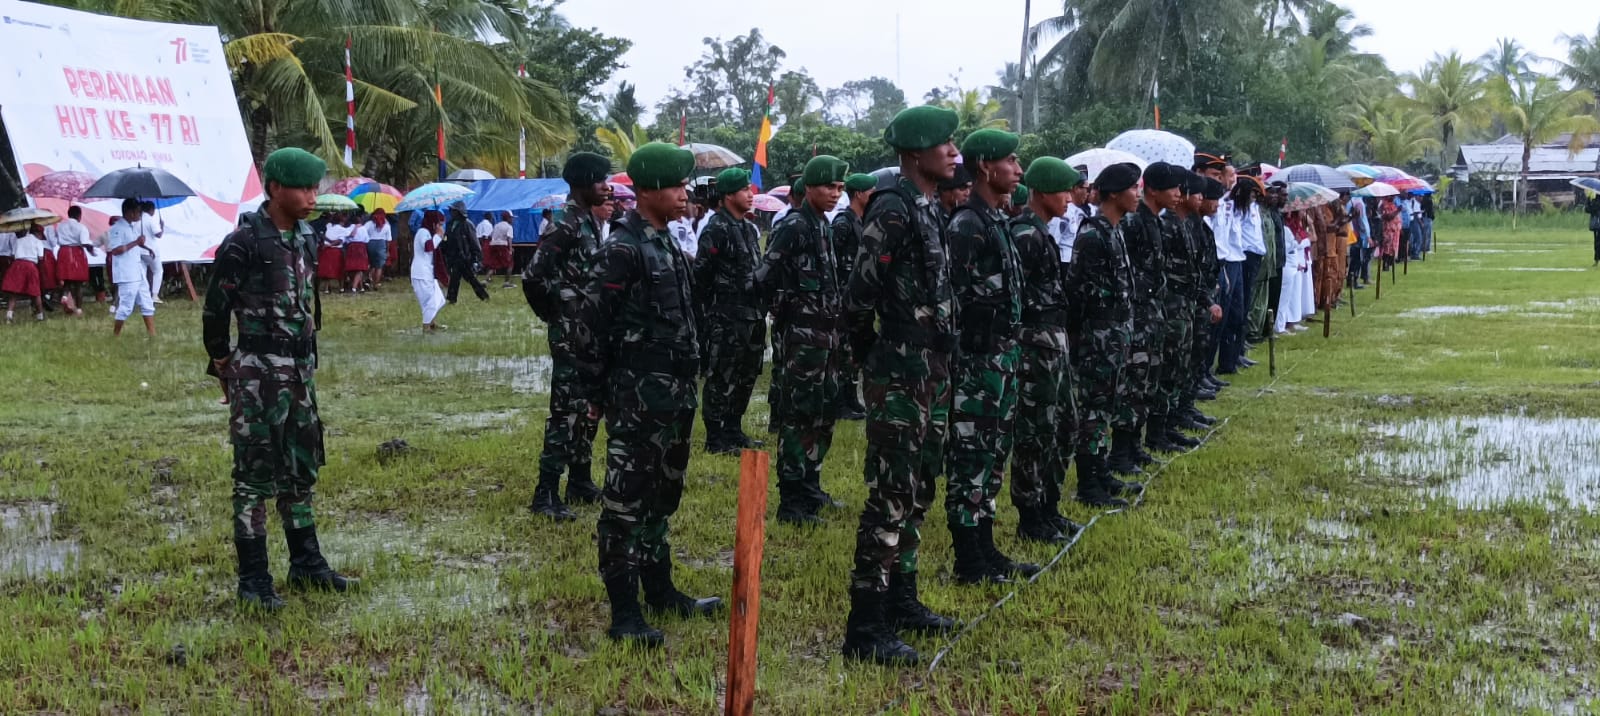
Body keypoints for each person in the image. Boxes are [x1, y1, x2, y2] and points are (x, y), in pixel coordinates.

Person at [562, 143, 720, 648]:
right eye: (676, 185)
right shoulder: (623, 249)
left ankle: (660, 589)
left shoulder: (664, 241)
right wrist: (593, 392)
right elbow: (587, 328)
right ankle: (625, 612)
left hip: (673, 396)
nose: (685, 193)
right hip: (637, 397)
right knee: (626, 502)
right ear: (649, 190)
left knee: (661, 495)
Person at [202, 148, 356, 611]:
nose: (313, 196)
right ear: (274, 189)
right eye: (304, 188)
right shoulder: (243, 242)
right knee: (253, 478)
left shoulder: (308, 237)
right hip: (258, 374)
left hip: (300, 372)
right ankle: (254, 581)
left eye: (315, 187)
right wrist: (222, 362)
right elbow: (215, 309)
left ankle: (307, 564)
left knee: (300, 469)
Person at [842, 105, 962, 666]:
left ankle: (902, 600)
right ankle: (865, 627)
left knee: (918, 491)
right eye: (946, 145)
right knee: (890, 495)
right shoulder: (892, 209)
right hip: (900, 372)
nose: (955, 154)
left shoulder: (927, 207)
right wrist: (877, 359)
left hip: (930, 371)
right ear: (916, 152)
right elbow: (858, 295)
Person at [944, 128, 1036, 585]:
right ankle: (969, 560)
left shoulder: (996, 219)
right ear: (985, 166)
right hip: (977, 362)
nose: (1018, 170)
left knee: (992, 456)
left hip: (1003, 358)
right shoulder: (966, 224)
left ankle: (986, 547)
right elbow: (953, 301)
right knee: (970, 458)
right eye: (1010, 161)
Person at [760, 155, 850, 526]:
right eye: (830, 186)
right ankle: (792, 499)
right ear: (809, 187)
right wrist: (784, 314)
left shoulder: (822, 225)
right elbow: (766, 275)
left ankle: (811, 483)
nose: (835, 194)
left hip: (826, 338)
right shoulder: (794, 226)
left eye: (840, 188)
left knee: (823, 413)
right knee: (799, 418)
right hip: (802, 338)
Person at [523, 153, 613, 520]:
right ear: (582, 183)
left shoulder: (587, 220)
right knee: (565, 413)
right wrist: (556, 313)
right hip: (570, 334)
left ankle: (579, 480)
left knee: (589, 408)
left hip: (590, 331)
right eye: (600, 181)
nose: (606, 187)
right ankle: (545, 493)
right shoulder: (564, 224)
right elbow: (532, 276)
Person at [1008, 158, 1084, 544]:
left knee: (1064, 426)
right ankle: (1030, 513)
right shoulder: (1024, 234)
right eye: (1061, 191)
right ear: (1040, 193)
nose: (1069, 199)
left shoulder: (1043, 232)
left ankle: (1049, 505)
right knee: (1034, 431)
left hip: (1055, 343)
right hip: (1034, 346)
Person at [1066, 162, 1140, 508]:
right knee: (1093, 410)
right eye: (1132, 188)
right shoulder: (1093, 235)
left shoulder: (1115, 229)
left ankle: (1101, 472)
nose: (1137, 194)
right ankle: (1088, 483)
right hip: (1099, 336)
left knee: (1108, 406)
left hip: (1116, 334)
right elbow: (1082, 295)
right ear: (1113, 194)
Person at [1105, 161, 1175, 478]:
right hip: (1136, 317)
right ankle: (1120, 453)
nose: (1178, 194)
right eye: (1172, 187)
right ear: (1155, 190)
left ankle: (1134, 446)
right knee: (1133, 387)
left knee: (1146, 384)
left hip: (1152, 315)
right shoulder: (1132, 224)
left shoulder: (1152, 222)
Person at [694, 167, 768, 457]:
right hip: (725, 316)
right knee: (721, 376)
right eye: (743, 190)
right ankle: (716, 437)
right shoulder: (716, 228)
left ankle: (734, 428)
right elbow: (701, 276)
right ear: (727, 196)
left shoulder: (748, 228)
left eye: (750, 190)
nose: (750, 195)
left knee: (747, 375)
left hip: (752, 315)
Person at [829, 173, 878, 422]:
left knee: (853, 352)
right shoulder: (844, 222)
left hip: (856, 298)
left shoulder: (862, 221)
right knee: (843, 352)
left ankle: (851, 398)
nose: (874, 196)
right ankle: (840, 402)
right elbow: (832, 259)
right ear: (859, 194)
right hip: (842, 297)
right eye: (871, 191)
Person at [107, 199, 156, 336]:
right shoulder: (117, 228)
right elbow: (116, 250)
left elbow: (132, 245)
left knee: (147, 302)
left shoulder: (131, 227)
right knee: (126, 306)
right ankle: (115, 334)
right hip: (127, 273)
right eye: (138, 211)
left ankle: (152, 334)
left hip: (137, 271)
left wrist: (144, 246)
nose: (140, 214)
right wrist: (136, 242)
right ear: (130, 212)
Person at [442, 203, 490, 303]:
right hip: (454, 256)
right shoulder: (450, 224)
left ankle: (484, 296)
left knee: (471, 278)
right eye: (451, 210)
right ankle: (452, 298)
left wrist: (478, 257)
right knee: (455, 278)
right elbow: (447, 237)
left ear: (459, 212)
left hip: (465, 257)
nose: (451, 212)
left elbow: (474, 241)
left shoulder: (467, 224)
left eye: (454, 210)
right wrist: (444, 246)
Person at [412, 210, 448, 332]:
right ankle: (426, 326)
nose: (441, 227)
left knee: (437, 297)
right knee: (430, 300)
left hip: (427, 272)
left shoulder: (428, 233)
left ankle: (432, 322)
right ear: (434, 223)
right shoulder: (423, 232)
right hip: (420, 272)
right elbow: (428, 247)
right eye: (440, 224)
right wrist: (438, 236)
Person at [54, 206, 93, 315]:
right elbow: (84, 241)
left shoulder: (60, 226)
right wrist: (91, 248)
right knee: (78, 283)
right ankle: (79, 309)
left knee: (66, 279)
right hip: (76, 253)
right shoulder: (81, 227)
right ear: (79, 215)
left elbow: (56, 239)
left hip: (63, 252)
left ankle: (65, 296)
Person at [3, 224, 46, 322]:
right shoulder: (38, 242)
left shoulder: (19, 240)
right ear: (37, 233)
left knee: (14, 292)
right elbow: (40, 258)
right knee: (36, 292)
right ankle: (40, 316)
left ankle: (9, 315)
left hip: (17, 265)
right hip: (30, 265)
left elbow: (13, 254)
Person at [138, 201, 165, 304]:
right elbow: (158, 234)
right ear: (151, 210)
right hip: (151, 251)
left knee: (142, 274)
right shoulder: (150, 220)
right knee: (158, 271)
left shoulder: (138, 219)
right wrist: (162, 226)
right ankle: (154, 295)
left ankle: (142, 297)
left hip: (139, 250)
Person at [318, 213, 350, 295]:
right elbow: (340, 240)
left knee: (327, 269)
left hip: (326, 250)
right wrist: (331, 244)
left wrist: (329, 243)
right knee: (340, 269)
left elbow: (322, 235)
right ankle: (341, 287)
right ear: (341, 220)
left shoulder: (328, 227)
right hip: (336, 250)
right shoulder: (342, 229)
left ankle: (326, 288)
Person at [362, 209, 391, 290]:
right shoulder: (386, 225)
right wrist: (387, 251)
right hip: (381, 244)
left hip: (370, 243)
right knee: (379, 266)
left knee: (370, 264)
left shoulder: (369, 223)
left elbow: (363, 231)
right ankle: (376, 283)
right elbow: (388, 240)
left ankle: (366, 280)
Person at [341, 211, 370, 293]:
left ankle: (360, 287)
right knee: (360, 268)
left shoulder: (349, 228)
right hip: (361, 248)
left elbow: (345, 240)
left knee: (353, 268)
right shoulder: (363, 228)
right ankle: (354, 288)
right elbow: (367, 239)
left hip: (351, 247)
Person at [1347, 192, 1370, 288]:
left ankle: (1350, 280)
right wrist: (1365, 234)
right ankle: (1354, 281)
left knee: (1354, 259)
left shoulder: (1351, 202)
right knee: (1357, 259)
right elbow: (1361, 221)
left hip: (1353, 233)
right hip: (1358, 235)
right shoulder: (1359, 204)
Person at [487, 211, 515, 287]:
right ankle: (507, 283)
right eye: (511, 218)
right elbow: (509, 239)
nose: (512, 220)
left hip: (493, 245)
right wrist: (510, 249)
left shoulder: (496, 225)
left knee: (494, 264)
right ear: (508, 218)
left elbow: (490, 236)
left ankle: (486, 279)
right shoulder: (509, 227)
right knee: (510, 264)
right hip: (502, 245)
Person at [1588, 192, 1600, 266]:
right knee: (1596, 243)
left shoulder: (1596, 201)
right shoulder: (1594, 200)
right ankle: (1596, 260)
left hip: (1598, 224)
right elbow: (1588, 209)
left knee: (1598, 243)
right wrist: (1588, 199)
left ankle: (1596, 260)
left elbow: (1593, 208)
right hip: (1596, 224)